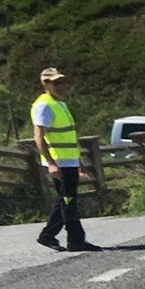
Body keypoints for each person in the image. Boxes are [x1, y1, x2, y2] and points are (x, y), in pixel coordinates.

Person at [32, 66, 99, 251]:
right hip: (59, 161)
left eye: (62, 81)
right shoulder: (44, 105)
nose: (61, 85)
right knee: (68, 200)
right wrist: (51, 163)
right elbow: (39, 136)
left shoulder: (60, 104)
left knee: (66, 199)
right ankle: (75, 240)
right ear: (45, 84)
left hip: (68, 161)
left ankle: (48, 235)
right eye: (56, 82)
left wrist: (78, 162)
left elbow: (69, 136)